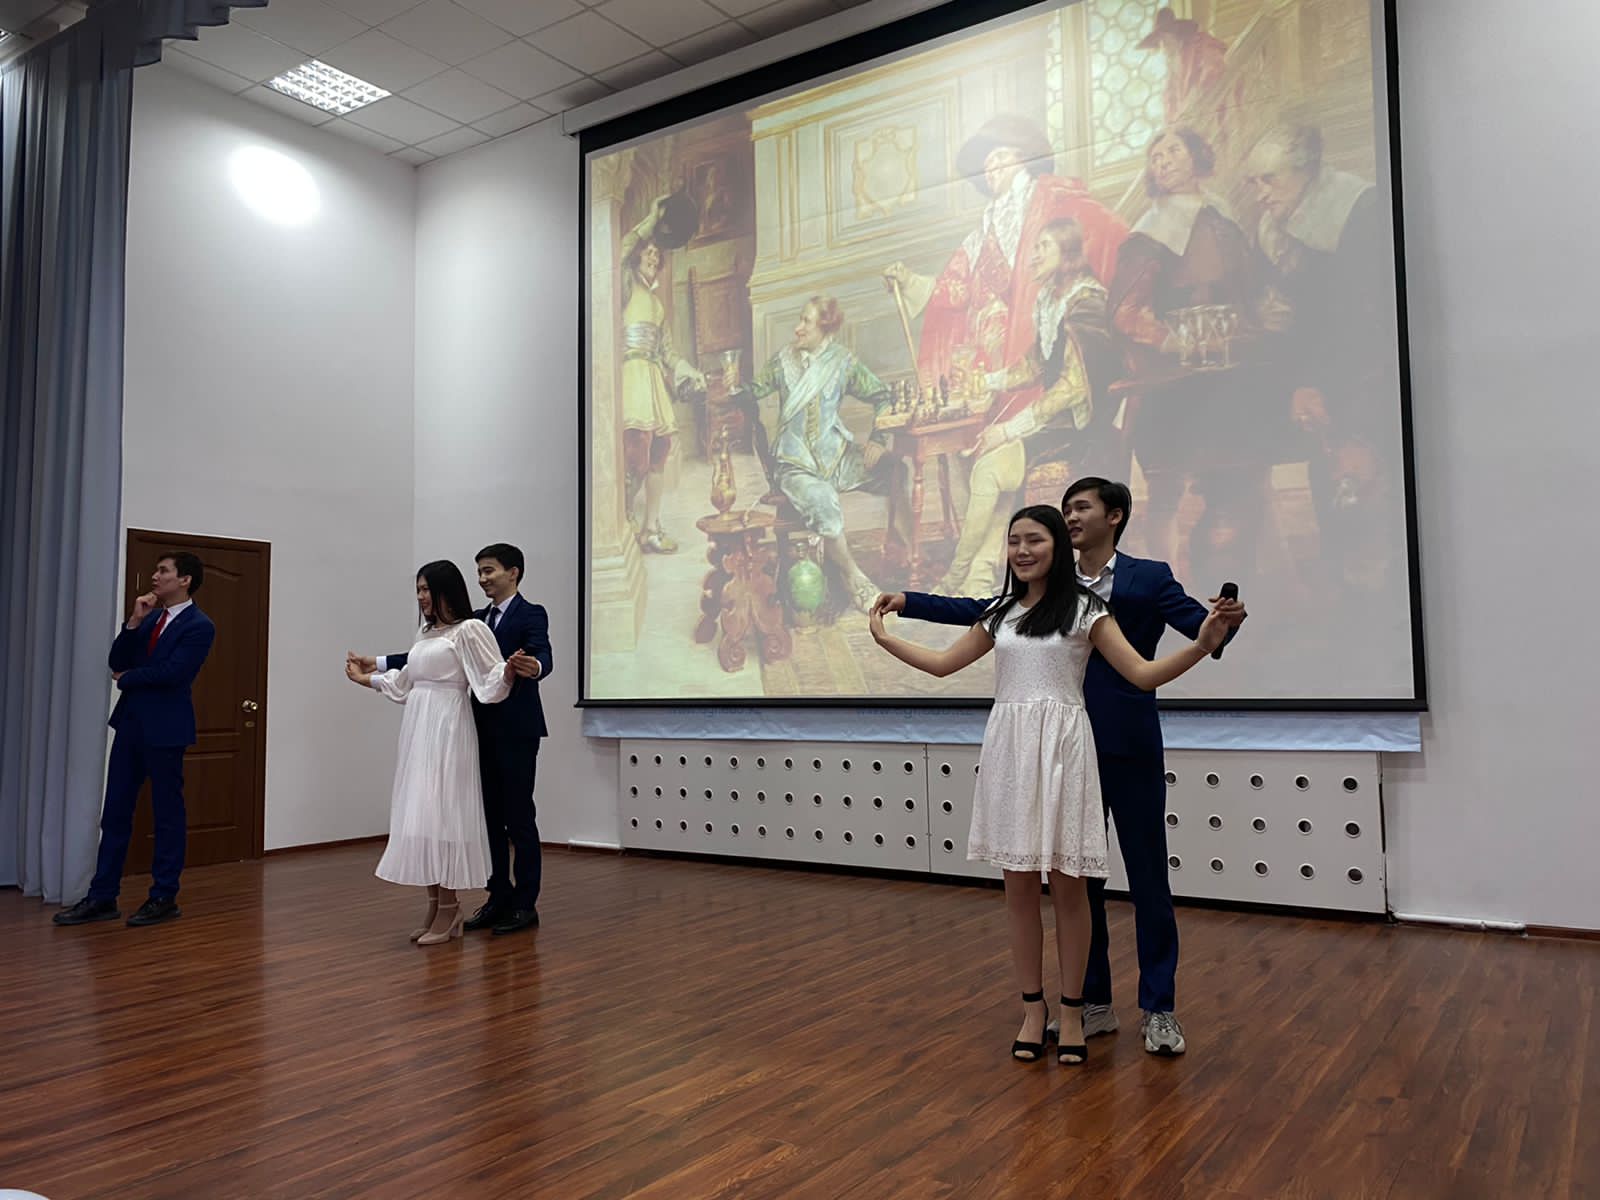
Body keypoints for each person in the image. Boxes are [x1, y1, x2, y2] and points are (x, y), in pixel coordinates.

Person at [875, 477, 1246, 1055]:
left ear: (1113, 516)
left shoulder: (1127, 588)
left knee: (1143, 878)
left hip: (1109, 745)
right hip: (1031, 753)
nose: (1069, 520)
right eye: (1062, 511)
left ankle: (1155, 1008)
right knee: (1060, 886)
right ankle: (1084, 1004)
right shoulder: (1018, 602)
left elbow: (1169, 651)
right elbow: (966, 628)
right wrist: (901, 612)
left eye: (1079, 509)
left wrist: (1210, 637)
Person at [350, 544, 551, 935]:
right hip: (472, 727)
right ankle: (497, 896)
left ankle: (524, 904)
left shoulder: (529, 614)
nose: (483, 578)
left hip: (512, 729)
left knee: (517, 818)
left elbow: (537, 655)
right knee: (485, 819)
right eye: (479, 571)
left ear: (513, 572)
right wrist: (375, 666)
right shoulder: (469, 620)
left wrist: (531, 667)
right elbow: (424, 657)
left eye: (489, 570)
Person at [1110, 126, 1277, 587]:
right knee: (1166, 490)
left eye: (1172, 151)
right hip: (1174, 382)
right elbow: (1126, 313)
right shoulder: (1151, 232)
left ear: (1196, 156)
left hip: (1228, 373)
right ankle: (1167, 584)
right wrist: (1178, 341)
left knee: (1248, 474)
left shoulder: (1221, 216)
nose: (1162, 161)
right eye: (1155, 156)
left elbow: (1246, 289)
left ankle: (1263, 579)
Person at [1244, 123, 1398, 594]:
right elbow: (1290, 314)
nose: (1260, 192)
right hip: (1316, 378)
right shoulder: (1273, 226)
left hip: (1366, 374)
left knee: (1367, 487)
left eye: (1269, 179)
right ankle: (1346, 592)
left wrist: (1315, 383)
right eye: (1254, 181)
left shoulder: (1360, 210)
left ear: (1306, 171)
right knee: (1330, 482)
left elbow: (1361, 318)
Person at [884, 114, 1127, 394]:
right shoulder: (979, 235)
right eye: (986, 164)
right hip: (987, 364)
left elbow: (1107, 233)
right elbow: (955, 289)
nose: (991, 169)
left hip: (1037, 338)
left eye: (999, 157)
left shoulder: (1055, 203)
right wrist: (909, 281)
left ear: (1023, 158)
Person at [939, 217, 1119, 593]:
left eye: (1044, 247)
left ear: (1067, 254)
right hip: (1054, 423)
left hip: (1083, 428)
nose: (1034, 255)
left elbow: (1072, 388)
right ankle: (978, 578)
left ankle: (957, 574)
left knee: (989, 469)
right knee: (983, 468)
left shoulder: (1086, 303)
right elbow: (1035, 365)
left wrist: (1008, 430)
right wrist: (986, 381)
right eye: (1034, 247)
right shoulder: (1051, 299)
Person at [55, 552, 217, 928]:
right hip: (131, 724)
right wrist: (133, 622)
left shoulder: (199, 625)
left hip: (167, 729)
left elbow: (174, 673)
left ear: (185, 580)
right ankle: (102, 897)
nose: (155, 577)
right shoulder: (151, 618)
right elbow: (117, 661)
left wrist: (128, 679)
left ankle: (163, 897)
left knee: (167, 815)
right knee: (115, 812)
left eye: (163, 571)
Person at [742, 296, 897, 612]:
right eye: (799, 320)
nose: (797, 329)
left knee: (895, 471)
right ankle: (853, 577)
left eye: (806, 322)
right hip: (794, 463)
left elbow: (883, 395)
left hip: (836, 457)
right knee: (823, 498)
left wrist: (878, 439)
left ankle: (900, 551)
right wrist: (732, 387)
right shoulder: (782, 362)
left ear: (826, 328)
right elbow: (753, 391)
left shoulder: (843, 362)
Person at [620, 196, 707, 554]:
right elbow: (619, 254)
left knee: (660, 451)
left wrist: (689, 370)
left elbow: (668, 352)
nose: (654, 258)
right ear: (637, 257)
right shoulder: (625, 285)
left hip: (653, 380)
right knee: (635, 453)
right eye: (648, 253)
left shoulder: (656, 304)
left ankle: (650, 528)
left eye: (658, 255)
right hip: (630, 377)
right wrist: (650, 220)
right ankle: (623, 516)